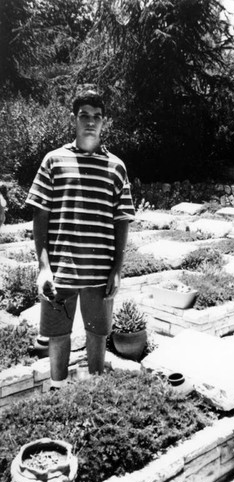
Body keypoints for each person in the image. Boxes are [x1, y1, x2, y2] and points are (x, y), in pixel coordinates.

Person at [26, 90, 135, 389]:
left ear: (105, 123)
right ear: (74, 119)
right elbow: (40, 215)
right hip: (60, 270)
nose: (91, 122)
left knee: (97, 334)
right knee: (58, 336)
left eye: (97, 117)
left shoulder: (116, 167)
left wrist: (116, 269)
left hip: (99, 273)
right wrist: (43, 267)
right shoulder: (54, 160)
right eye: (84, 115)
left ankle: (94, 394)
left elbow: (122, 219)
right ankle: (58, 392)